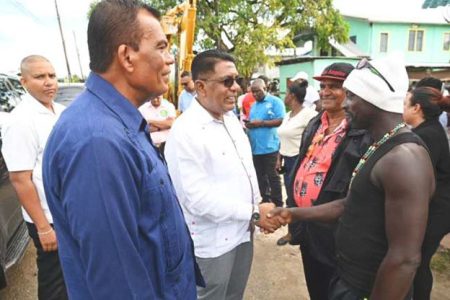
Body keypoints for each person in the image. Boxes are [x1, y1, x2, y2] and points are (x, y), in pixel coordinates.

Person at [42, 1, 203, 299]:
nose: (170, 61)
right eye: (161, 48)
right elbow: (117, 283)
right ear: (127, 56)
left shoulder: (118, 121)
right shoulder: (96, 141)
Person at [269, 55, 435, 300]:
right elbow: (351, 204)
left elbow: (405, 259)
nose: (346, 104)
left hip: (368, 288)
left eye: (353, 96)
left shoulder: (403, 159)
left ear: (374, 99)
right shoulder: (382, 145)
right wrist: (293, 213)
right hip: (347, 279)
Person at [165, 49, 278, 300]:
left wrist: (257, 207)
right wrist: (255, 212)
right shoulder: (186, 132)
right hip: (213, 244)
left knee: (233, 295)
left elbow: (245, 170)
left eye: (237, 80)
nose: (236, 88)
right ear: (202, 87)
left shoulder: (231, 120)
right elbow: (196, 198)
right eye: (227, 81)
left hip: (243, 232)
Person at [283, 63, 371, 299]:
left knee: (336, 290)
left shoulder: (362, 129)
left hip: (335, 233)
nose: (325, 92)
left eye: (335, 86)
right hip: (308, 228)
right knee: (316, 286)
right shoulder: (315, 122)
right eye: (322, 86)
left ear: (352, 92)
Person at [1, 55, 68, 299]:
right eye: (40, 77)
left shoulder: (60, 112)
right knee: (55, 284)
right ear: (24, 82)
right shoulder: (21, 121)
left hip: (66, 212)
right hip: (48, 219)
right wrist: (43, 228)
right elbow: (20, 178)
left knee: (70, 276)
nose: (49, 82)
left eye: (52, 75)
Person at [403, 83, 450, 300]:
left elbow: (420, 183)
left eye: (405, 104)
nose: (402, 108)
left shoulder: (426, 135)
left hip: (436, 211)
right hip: (436, 208)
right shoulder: (428, 130)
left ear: (417, 108)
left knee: (417, 264)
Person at [275, 80, 318, 246]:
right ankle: (293, 233)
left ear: (292, 96)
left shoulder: (309, 115)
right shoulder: (288, 115)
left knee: (300, 199)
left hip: (299, 161)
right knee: (292, 198)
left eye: (286, 93)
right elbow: (283, 138)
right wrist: (279, 158)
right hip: (287, 160)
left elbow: (315, 138)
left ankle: (301, 233)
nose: (284, 97)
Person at [246, 78, 285, 207]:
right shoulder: (254, 106)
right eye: (253, 92)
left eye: (258, 91)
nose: (255, 95)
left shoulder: (275, 102)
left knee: (273, 176)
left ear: (265, 88)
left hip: (270, 147)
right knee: (260, 176)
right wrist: (250, 125)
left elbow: (279, 120)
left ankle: (278, 203)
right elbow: (253, 121)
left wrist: (261, 123)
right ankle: (266, 200)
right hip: (256, 148)